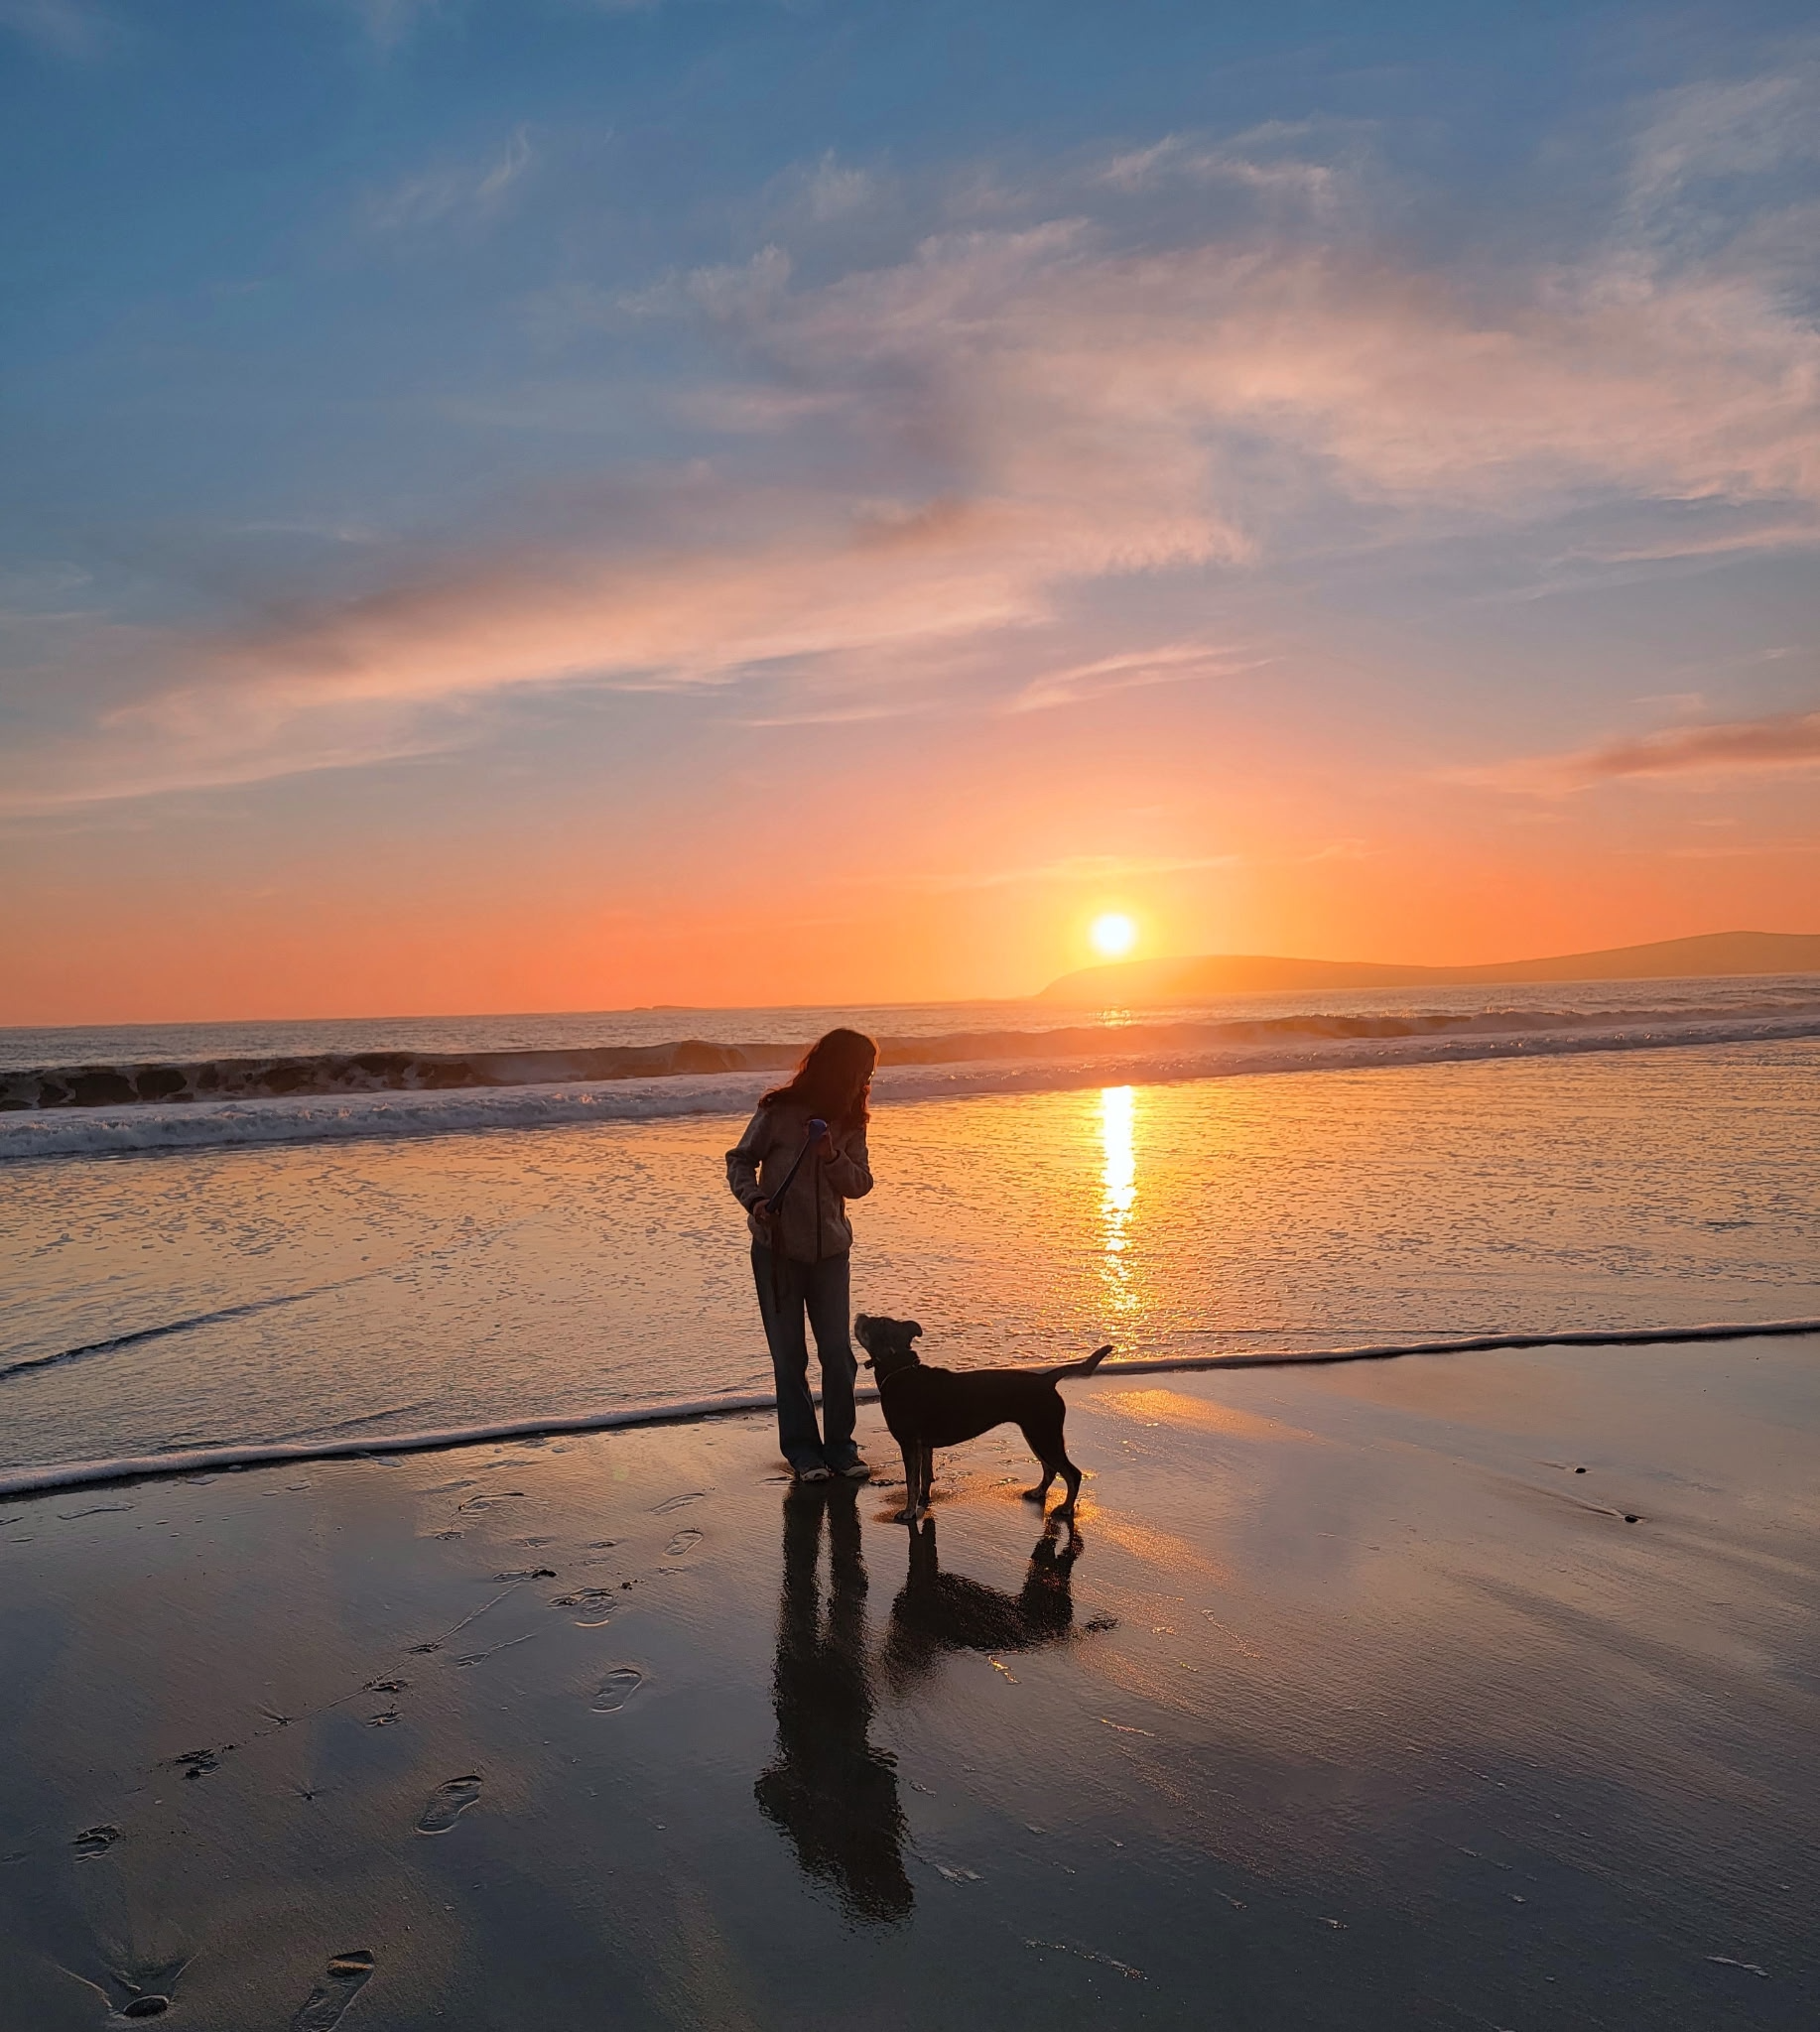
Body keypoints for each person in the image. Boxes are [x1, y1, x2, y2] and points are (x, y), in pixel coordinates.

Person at [726, 1027, 877, 1483]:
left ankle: (841, 1448)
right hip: (777, 1253)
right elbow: (739, 1159)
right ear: (842, 1069)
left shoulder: (851, 1122)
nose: (869, 1079)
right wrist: (754, 1201)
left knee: (837, 1353)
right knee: (789, 1357)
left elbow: (860, 1184)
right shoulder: (778, 1110)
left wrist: (832, 1155)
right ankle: (802, 1451)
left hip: (831, 1252)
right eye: (865, 1070)